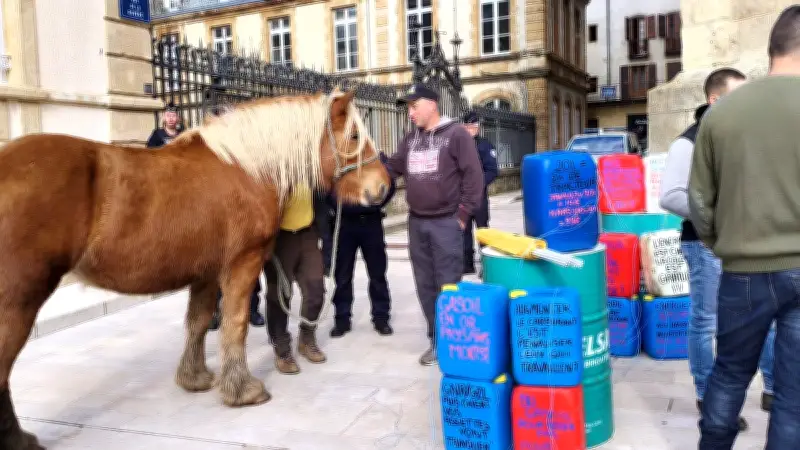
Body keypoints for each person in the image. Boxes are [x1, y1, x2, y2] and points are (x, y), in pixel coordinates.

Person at [689, 6, 800, 448]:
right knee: (793, 396)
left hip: (743, 270)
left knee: (730, 374)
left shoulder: (721, 114)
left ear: (772, 48)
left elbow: (700, 201)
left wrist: (724, 246)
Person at [659, 68, 775, 432]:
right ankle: (708, 397)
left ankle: (774, 387)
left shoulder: (740, 137)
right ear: (715, 100)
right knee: (706, 321)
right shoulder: (688, 142)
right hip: (705, 245)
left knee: (765, 315)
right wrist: (721, 218)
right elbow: (671, 195)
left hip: (747, 243)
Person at [385, 84, 485, 366]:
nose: (410, 112)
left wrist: (462, 217)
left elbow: (473, 177)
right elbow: (393, 167)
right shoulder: (411, 139)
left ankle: (453, 343)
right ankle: (435, 340)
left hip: (446, 223)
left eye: (414, 106)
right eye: (409, 107)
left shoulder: (456, 135)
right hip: (417, 223)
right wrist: (368, 166)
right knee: (425, 286)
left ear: (432, 104)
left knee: (448, 285)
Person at [325, 153, 397, 338]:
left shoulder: (375, 159)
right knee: (342, 276)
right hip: (344, 225)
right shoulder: (337, 160)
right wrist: (337, 205)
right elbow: (326, 188)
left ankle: (381, 317)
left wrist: (377, 204)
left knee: (377, 274)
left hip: (371, 224)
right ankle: (342, 319)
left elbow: (390, 184)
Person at [263, 185, 328, 374]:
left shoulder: (308, 168)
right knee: (279, 295)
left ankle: (307, 338)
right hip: (280, 238)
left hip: (307, 234)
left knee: (316, 290)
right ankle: (282, 348)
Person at [461, 111, 499, 275]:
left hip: (479, 197)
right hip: (462, 197)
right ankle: (467, 265)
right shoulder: (459, 146)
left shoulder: (485, 145)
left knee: (483, 231)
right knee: (464, 231)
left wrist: (477, 184)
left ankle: (487, 265)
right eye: (469, 126)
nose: (472, 129)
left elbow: (492, 171)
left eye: (475, 126)